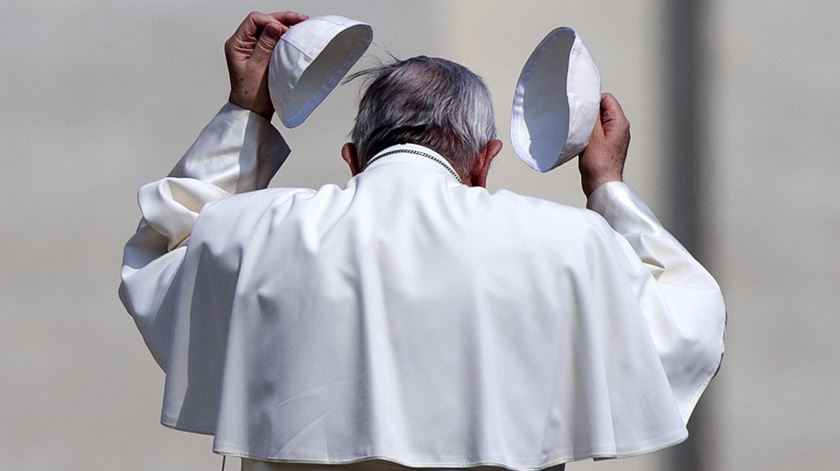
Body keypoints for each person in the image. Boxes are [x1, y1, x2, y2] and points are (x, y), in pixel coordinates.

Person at [118, 10, 726, 471]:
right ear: (485, 162)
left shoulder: (257, 233)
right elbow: (688, 318)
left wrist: (246, 112)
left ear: (353, 158)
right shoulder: (569, 244)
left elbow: (163, 251)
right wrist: (608, 188)